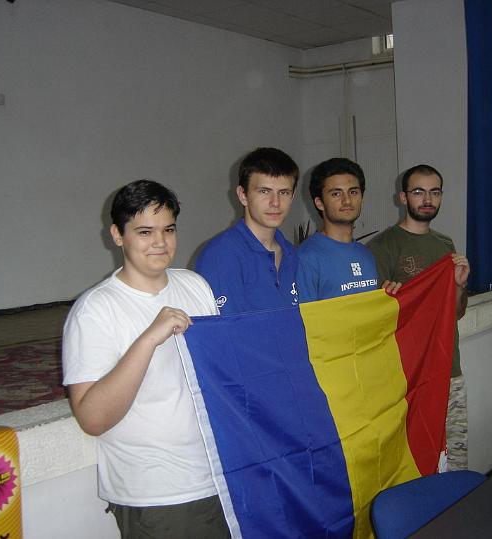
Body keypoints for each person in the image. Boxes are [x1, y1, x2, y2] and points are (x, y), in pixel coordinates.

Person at [62, 180, 230, 538]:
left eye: (168, 229)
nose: (160, 242)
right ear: (117, 235)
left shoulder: (195, 286)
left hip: (219, 477)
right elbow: (92, 418)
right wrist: (149, 339)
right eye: (144, 232)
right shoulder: (95, 310)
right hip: (158, 493)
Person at [368, 164, 470, 471]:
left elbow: (455, 313)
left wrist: (459, 285)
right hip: (408, 376)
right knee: (412, 463)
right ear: (402, 197)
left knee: (455, 463)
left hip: (449, 369)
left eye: (434, 192)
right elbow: (377, 319)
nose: (427, 199)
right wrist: (389, 299)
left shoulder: (445, 245)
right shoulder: (382, 247)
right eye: (418, 192)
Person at [195, 147, 299, 314]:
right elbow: (225, 327)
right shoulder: (221, 255)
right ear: (243, 195)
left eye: (284, 192)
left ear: (292, 197)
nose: (275, 202)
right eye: (264, 191)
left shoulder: (293, 255)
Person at [296, 157, 399, 301]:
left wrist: (384, 298)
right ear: (319, 203)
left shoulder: (366, 254)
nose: (347, 200)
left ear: (362, 198)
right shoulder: (306, 257)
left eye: (353, 192)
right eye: (336, 194)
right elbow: (302, 314)